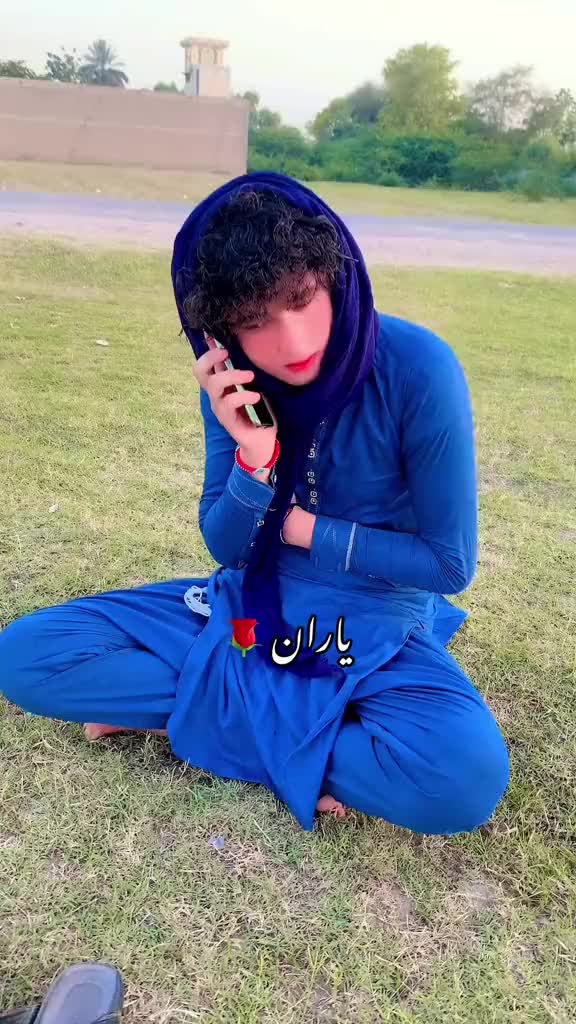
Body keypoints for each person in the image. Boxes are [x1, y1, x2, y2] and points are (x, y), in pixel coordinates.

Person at [0, 172, 509, 833]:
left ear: (334, 276)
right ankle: (308, 740)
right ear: (222, 331)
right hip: (251, 610)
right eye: (253, 321)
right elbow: (229, 547)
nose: (292, 342)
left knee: (463, 779)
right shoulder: (236, 384)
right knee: (27, 655)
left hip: (377, 621)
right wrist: (256, 456)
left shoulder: (416, 367)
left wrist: (297, 528)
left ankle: (191, 715)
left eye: (301, 300)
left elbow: (447, 565)